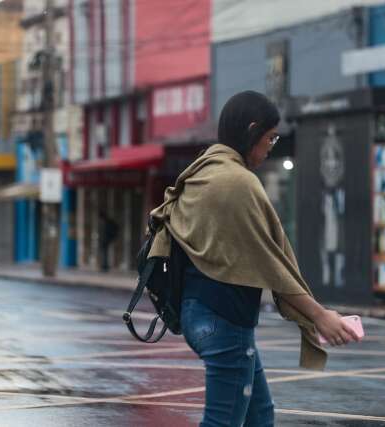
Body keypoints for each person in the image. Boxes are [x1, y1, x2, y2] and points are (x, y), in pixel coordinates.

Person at [149, 91, 359, 427]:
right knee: (223, 422)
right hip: (223, 321)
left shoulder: (203, 170)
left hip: (200, 314)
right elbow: (270, 263)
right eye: (269, 138)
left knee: (259, 417)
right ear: (251, 130)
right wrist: (319, 316)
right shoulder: (237, 182)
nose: (271, 147)